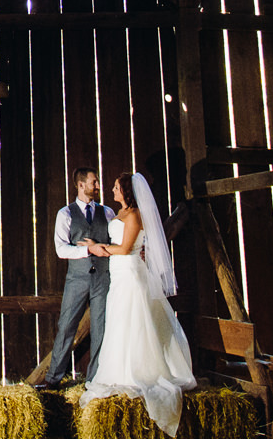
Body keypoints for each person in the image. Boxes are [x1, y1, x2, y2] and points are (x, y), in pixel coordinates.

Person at [80, 171, 197, 436]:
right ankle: (117, 369)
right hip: (118, 274)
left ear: (127, 191)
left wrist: (100, 248)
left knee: (134, 320)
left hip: (131, 272)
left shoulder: (134, 215)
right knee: (119, 322)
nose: (111, 190)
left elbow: (125, 248)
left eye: (116, 187)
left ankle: (138, 370)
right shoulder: (117, 214)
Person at [41, 167, 117, 388]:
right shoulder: (65, 213)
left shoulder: (108, 212)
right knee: (66, 326)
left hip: (103, 279)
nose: (98, 186)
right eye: (94, 182)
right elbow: (61, 249)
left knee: (101, 329)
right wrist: (87, 251)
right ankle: (53, 378)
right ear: (81, 185)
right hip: (77, 279)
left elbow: (114, 244)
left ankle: (94, 381)